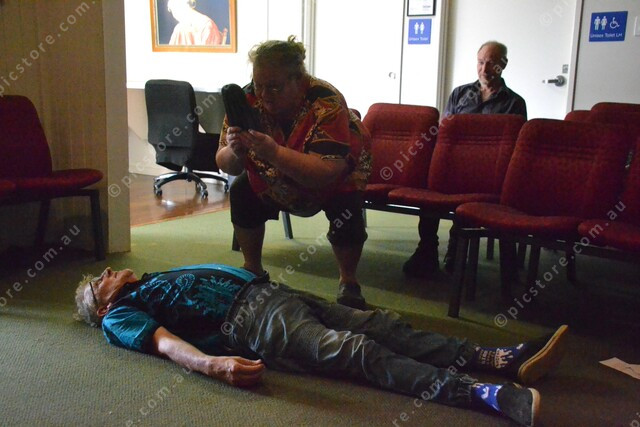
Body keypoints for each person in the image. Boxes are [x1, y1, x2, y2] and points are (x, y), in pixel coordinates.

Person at [75, 264, 569, 427]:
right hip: (254, 323)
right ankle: (484, 394)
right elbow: (163, 344)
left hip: (274, 293)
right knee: (358, 352)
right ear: (101, 307)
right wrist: (212, 365)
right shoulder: (118, 315)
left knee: (383, 325)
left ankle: (500, 359)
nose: (110, 272)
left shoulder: (149, 279)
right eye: (101, 279)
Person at [216, 36, 372, 309]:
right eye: (259, 85)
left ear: (299, 80)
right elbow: (224, 162)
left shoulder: (326, 102)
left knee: (346, 202)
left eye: (274, 87)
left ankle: (348, 281)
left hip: (335, 173)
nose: (264, 94)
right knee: (241, 189)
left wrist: (274, 152)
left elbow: (325, 172)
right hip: (273, 171)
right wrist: (234, 150)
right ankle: (252, 269)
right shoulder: (246, 98)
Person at [403, 41, 527, 278]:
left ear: (503, 65)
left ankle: (456, 252)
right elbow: (444, 135)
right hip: (454, 168)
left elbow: (515, 150)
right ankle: (427, 250)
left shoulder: (514, 103)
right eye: (480, 62)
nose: (484, 69)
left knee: (465, 203)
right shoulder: (460, 94)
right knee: (428, 195)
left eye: (491, 63)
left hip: (488, 175)